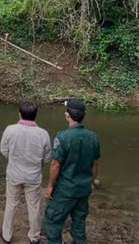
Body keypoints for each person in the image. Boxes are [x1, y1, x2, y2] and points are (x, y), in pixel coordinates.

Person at [44, 99, 100, 244]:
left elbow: (55, 164)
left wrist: (50, 185)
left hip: (65, 189)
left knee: (53, 222)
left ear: (67, 115)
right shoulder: (92, 137)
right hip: (83, 189)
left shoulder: (63, 137)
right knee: (79, 222)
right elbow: (95, 163)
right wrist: (91, 182)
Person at [0, 102, 51, 244]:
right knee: (34, 207)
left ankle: (6, 235)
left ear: (19, 114)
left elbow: (4, 150)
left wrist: (14, 160)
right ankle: (34, 237)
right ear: (35, 116)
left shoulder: (10, 130)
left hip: (14, 174)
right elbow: (47, 157)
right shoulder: (43, 134)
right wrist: (37, 164)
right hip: (33, 176)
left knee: (11, 204)